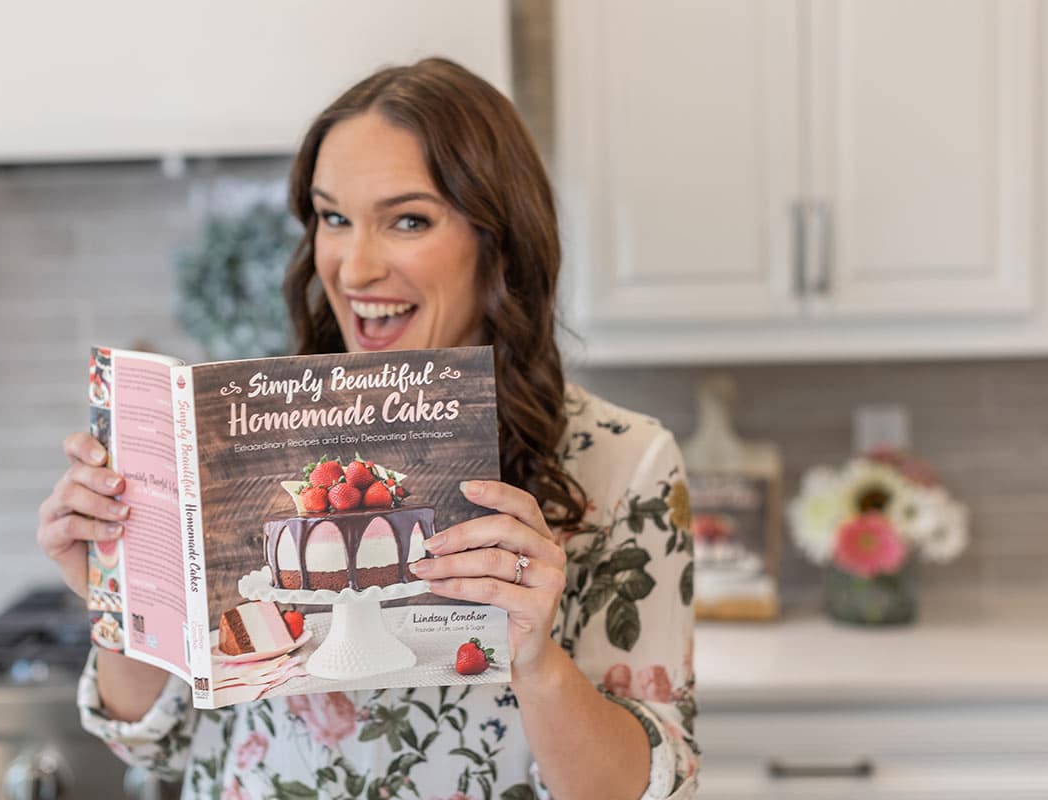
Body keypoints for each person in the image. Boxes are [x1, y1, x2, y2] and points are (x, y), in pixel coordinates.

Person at [37, 58, 699, 799]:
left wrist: (540, 660)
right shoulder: (249, 444)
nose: (353, 267)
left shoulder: (624, 464)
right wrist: (120, 595)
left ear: (498, 242)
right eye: (334, 218)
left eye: (408, 220)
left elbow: (650, 789)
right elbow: (158, 745)